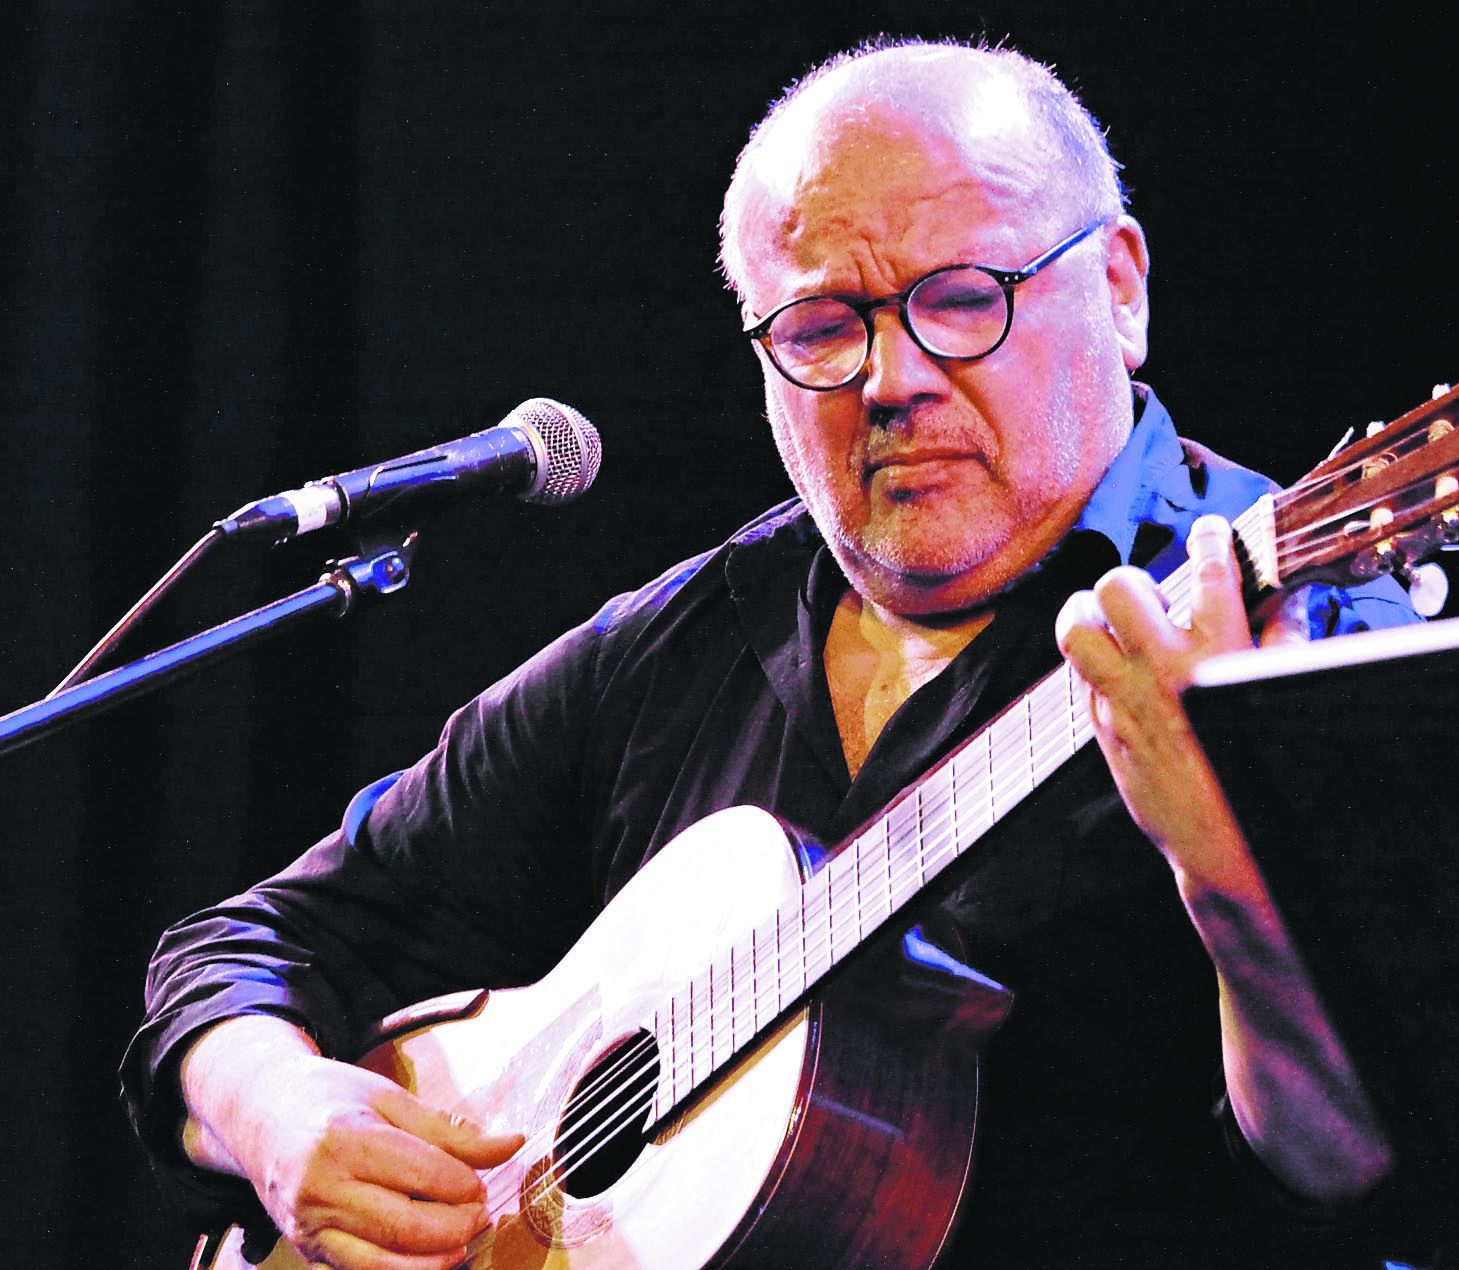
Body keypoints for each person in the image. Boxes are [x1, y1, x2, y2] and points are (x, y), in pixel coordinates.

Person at [123, 38, 1423, 1270]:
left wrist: (1235, 882)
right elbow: (251, 944)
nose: (891, 377)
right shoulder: (683, 641)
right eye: (819, 330)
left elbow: (1358, 1176)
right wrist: (276, 1107)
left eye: (963, 300)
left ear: (1122, 286)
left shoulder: (1297, 631)